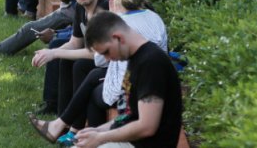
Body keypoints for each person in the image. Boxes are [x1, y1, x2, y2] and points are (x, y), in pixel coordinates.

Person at [30, 0, 168, 142]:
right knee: (90, 73)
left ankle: (80, 133)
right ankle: (71, 128)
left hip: (136, 87)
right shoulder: (154, 19)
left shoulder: (118, 22)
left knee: (93, 91)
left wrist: (54, 53)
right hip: (144, 82)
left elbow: (100, 58)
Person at [66, 12, 183, 148]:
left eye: (106, 52)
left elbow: (147, 126)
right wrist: (97, 131)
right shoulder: (134, 59)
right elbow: (127, 116)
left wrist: (100, 138)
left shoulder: (151, 63)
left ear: (118, 38)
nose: (107, 59)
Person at [31, 0, 109, 118]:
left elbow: (97, 53)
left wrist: (55, 53)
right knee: (64, 58)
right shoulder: (80, 7)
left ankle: (73, 120)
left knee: (78, 64)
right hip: (98, 57)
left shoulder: (104, 9)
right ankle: (61, 114)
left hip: (112, 62)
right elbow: (75, 42)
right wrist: (49, 53)